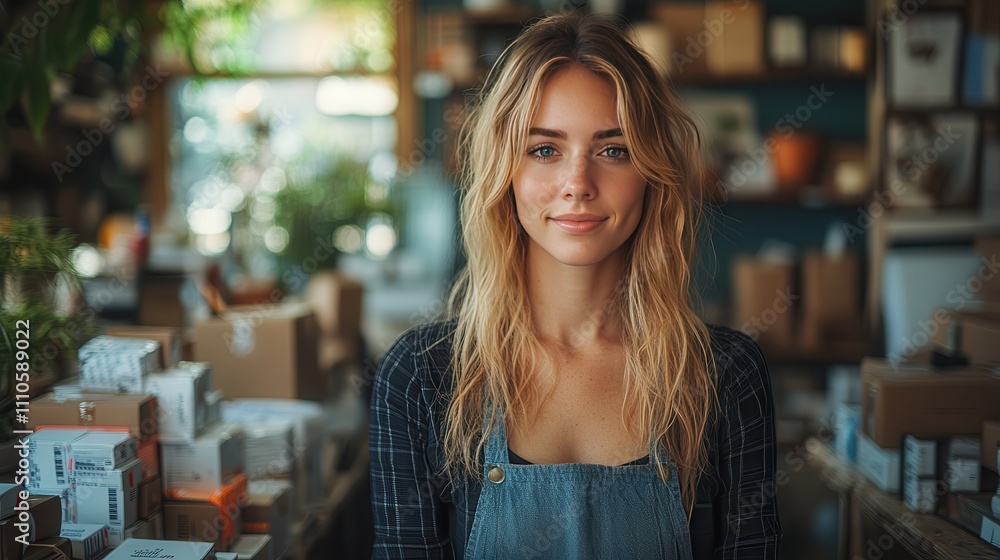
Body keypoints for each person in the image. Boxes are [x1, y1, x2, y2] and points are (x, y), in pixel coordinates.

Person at [370, 11, 781, 559]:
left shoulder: (726, 377)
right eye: (545, 149)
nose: (578, 185)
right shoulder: (422, 378)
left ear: (653, 173)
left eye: (614, 150)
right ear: (503, 171)